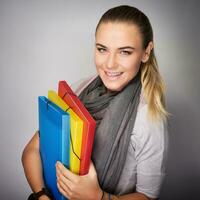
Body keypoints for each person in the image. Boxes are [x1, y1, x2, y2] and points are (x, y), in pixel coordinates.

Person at [22, 5, 169, 200]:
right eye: (102, 49)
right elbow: (32, 149)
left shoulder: (149, 118)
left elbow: (148, 196)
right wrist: (41, 195)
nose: (109, 64)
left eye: (125, 52)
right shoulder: (80, 88)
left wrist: (98, 197)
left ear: (146, 52)